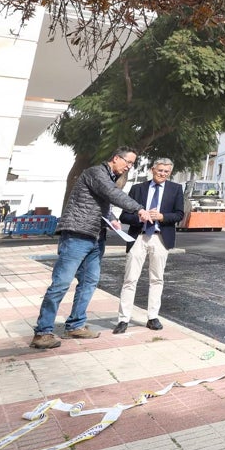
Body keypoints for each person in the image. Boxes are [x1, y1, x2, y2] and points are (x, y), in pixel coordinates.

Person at [31, 148, 149, 349]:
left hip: (96, 237)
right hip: (77, 234)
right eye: (128, 162)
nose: (129, 166)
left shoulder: (107, 177)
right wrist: (138, 208)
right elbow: (111, 193)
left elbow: (101, 204)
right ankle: (43, 332)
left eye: (132, 164)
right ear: (115, 158)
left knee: (90, 281)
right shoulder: (96, 173)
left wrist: (111, 219)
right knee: (61, 282)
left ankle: (75, 325)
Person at [113, 158, 185, 334]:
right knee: (130, 278)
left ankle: (152, 317)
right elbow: (124, 216)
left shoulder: (175, 189)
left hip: (161, 239)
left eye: (167, 172)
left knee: (157, 279)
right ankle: (123, 319)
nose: (163, 174)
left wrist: (162, 217)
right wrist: (140, 217)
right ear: (153, 169)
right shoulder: (138, 189)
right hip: (139, 237)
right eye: (160, 170)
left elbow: (179, 214)